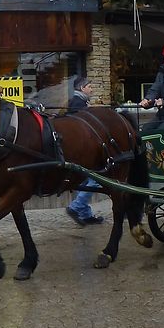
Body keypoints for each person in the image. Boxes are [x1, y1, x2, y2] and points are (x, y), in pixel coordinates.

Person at [65, 76, 104, 227]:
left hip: (77, 150)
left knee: (83, 180)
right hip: (81, 150)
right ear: (82, 88)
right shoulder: (79, 105)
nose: (91, 89)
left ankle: (85, 214)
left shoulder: (77, 102)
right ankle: (76, 207)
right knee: (97, 178)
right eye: (89, 86)